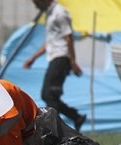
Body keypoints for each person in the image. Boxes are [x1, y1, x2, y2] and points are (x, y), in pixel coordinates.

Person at [23, 0, 86, 133]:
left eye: (36, 2)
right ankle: (75, 117)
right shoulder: (50, 14)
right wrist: (32, 58)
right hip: (55, 58)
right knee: (50, 96)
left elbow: (69, 37)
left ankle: (54, 130)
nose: (36, 6)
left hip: (62, 57)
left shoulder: (60, 12)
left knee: (49, 95)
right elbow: (50, 42)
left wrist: (73, 61)